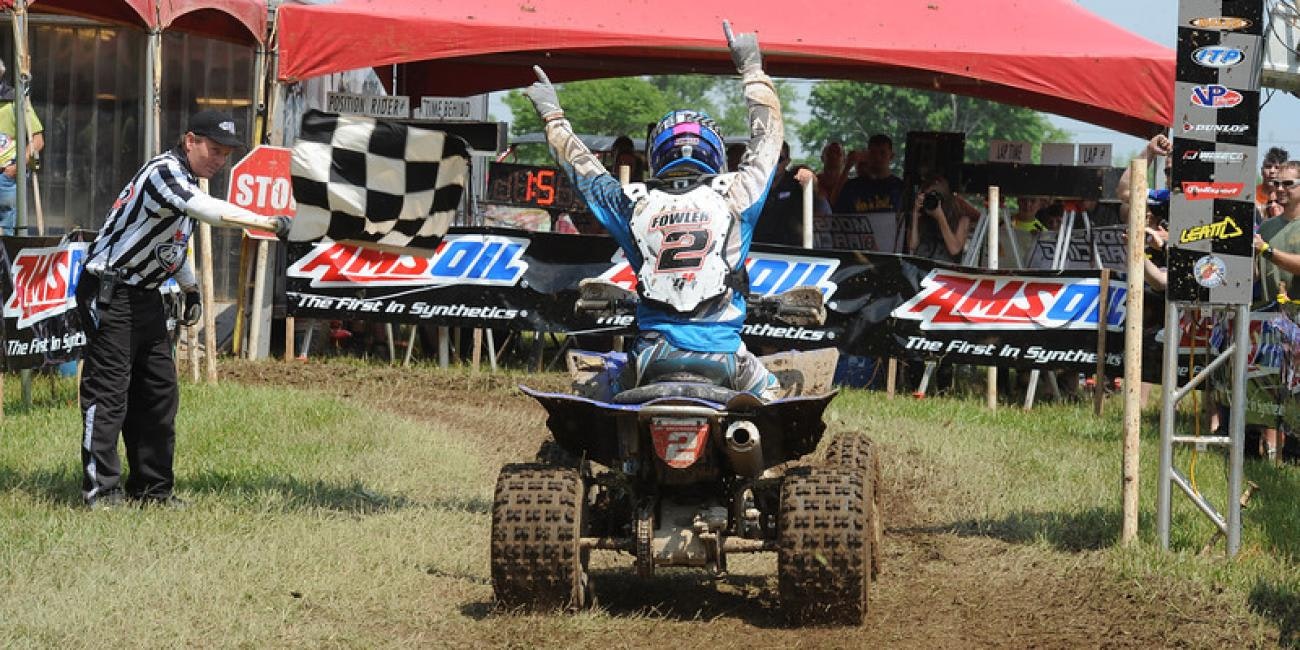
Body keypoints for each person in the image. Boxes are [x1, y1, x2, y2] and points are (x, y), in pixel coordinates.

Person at [523, 20, 782, 399]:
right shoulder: (737, 195)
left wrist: (554, 119)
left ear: (657, 153)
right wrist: (753, 70)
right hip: (725, 359)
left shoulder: (633, 203)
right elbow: (768, 140)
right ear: (716, 152)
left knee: (601, 406)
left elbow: (586, 173)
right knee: (777, 406)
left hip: (650, 360)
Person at [77, 110, 290, 508]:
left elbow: (175, 239)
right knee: (109, 395)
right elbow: (208, 211)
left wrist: (189, 286)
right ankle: (101, 491)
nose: (219, 160)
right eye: (214, 149)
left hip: (146, 294)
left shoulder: (188, 179)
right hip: (110, 290)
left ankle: (153, 490)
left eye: (227, 154)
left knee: (159, 393)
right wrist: (270, 222)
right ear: (189, 140)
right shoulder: (164, 172)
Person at [0, 60, 44, 235]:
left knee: (5, 236)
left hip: (5, 176)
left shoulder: (15, 100)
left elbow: (37, 140)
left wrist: (16, 168)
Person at [754, 141, 822, 247]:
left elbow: (813, 188)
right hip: (758, 247)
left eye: (779, 159)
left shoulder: (794, 182)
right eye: (769, 158)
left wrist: (810, 177)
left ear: (787, 162)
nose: (774, 163)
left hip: (790, 248)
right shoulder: (754, 183)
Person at [907, 175, 971, 263]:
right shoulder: (922, 216)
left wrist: (940, 217)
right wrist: (915, 214)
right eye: (927, 197)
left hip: (944, 271)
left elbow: (954, 249)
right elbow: (912, 246)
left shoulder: (961, 219)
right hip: (920, 269)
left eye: (934, 197)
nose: (931, 200)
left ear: (944, 198)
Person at [834, 134, 904, 215]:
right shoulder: (852, 187)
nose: (877, 157)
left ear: (891, 156)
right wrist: (847, 167)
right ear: (867, 154)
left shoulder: (900, 188)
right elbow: (837, 212)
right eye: (873, 152)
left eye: (882, 153)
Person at [1257, 147, 1288, 221]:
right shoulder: (1251, 195)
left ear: (1284, 172)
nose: (1272, 171)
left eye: (1277, 167)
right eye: (1268, 167)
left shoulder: (1290, 197)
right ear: (1261, 171)